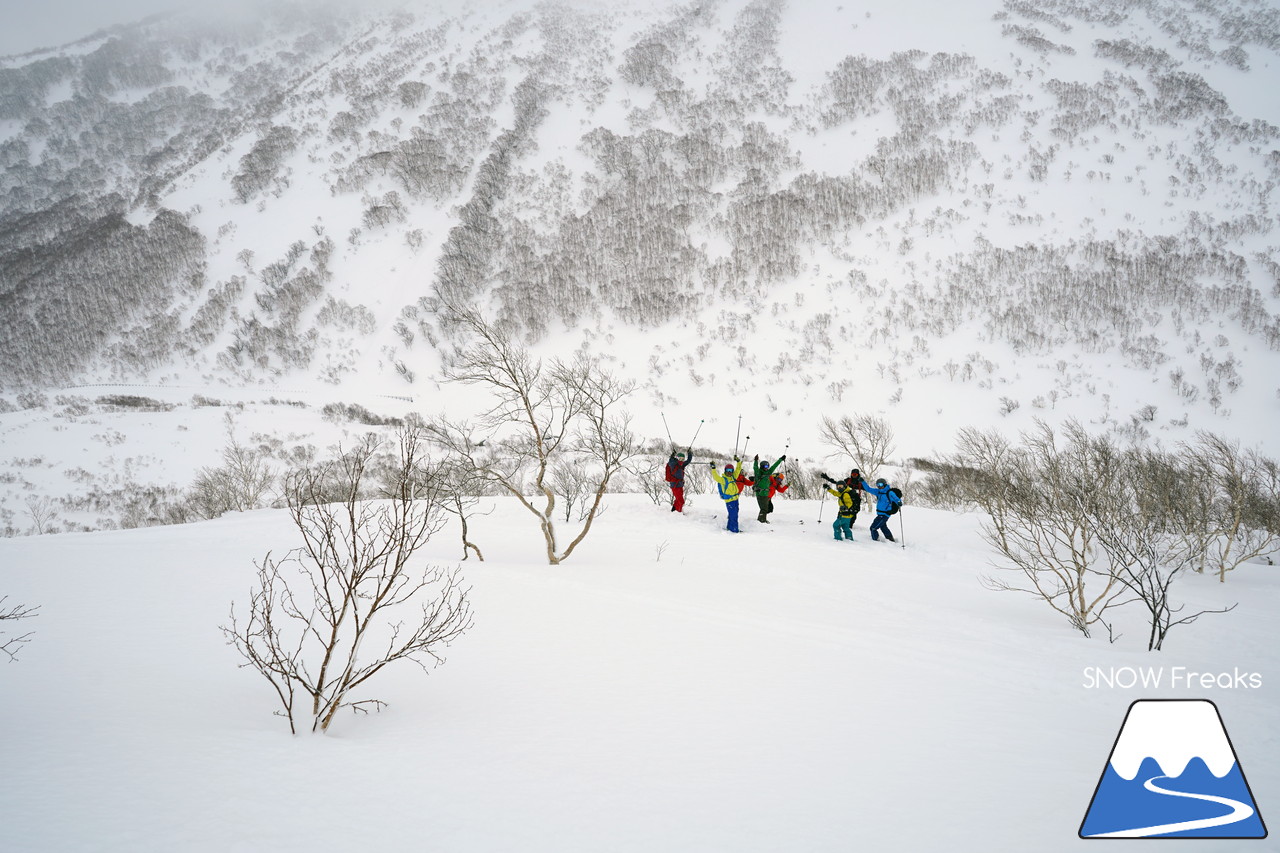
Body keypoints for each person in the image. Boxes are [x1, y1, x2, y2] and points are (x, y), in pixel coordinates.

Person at [861, 477, 903, 542]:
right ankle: (890, 539)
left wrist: (899, 502)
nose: (879, 486)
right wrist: (862, 481)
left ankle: (875, 541)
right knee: (883, 527)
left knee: (873, 528)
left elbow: (896, 499)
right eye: (877, 485)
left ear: (884, 484)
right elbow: (868, 489)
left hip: (885, 514)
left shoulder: (889, 493)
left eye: (880, 485)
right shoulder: (878, 492)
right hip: (880, 514)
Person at [709, 457, 745, 533]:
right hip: (729, 501)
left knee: (734, 513)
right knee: (733, 515)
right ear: (725, 471)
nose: (729, 472)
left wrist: (738, 462)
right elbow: (715, 477)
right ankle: (734, 530)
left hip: (735, 499)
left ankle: (730, 527)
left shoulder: (733, 477)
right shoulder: (723, 479)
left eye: (731, 470)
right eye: (728, 470)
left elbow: (738, 469)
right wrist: (713, 468)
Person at [750, 454, 786, 523]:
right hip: (760, 493)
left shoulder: (768, 473)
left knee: (765, 508)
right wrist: (756, 461)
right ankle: (761, 520)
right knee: (764, 509)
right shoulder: (758, 473)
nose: (767, 468)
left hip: (766, 494)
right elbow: (755, 468)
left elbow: (774, 466)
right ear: (762, 466)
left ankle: (761, 520)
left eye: (768, 466)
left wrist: (780, 459)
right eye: (765, 466)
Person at [821, 473, 858, 541]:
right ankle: (849, 538)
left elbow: (849, 503)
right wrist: (828, 488)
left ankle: (837, 539)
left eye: (840, 486)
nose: (839, 488)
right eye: (838, 487)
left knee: (836, 525)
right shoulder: (843, 492)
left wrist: (845, 507)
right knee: (845, 527)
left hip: (845, 514)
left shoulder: (845, 494)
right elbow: (835, 493)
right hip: (848, 515)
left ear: (844, 486)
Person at [664, 448, 693, 512]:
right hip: (675, 485)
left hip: (680, 485)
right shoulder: (673, 464)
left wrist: (689, 453)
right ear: (677, 458)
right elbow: (671, 460)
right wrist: (673, 455)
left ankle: (674, 511)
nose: (682, 460)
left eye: (683, 459)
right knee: (681, 501)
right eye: (680, 458)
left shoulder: (682, 465)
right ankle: (678, 512)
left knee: (678, 500)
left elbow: (688, 461)